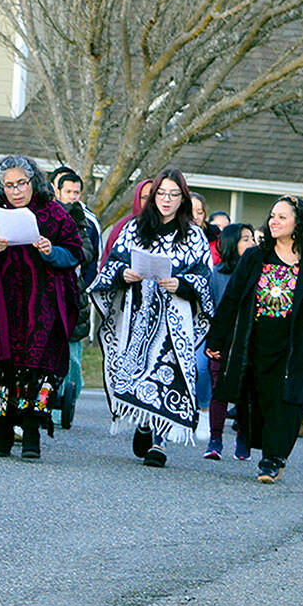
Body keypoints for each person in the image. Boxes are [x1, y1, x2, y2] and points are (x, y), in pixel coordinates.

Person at [206, 195, 303, 483]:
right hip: (255, 340)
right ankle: (268, 452)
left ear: (297, 222)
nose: (274, 221)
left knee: (287, 401)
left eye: (282, 217)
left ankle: (273, 458)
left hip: (294, 344)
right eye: (272, 216)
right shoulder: (256, 256)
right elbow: (231, 299)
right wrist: (215, 340)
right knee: (260, 398)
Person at [90, 168, 216, 467]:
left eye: (174, 194)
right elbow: (111, 266)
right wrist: (124, 274)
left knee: (168, 372)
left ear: (182, 198)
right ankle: (143, 422)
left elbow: (204, 278)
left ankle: (159, 442)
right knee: (136, 369)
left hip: (174, 318)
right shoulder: (134, 229)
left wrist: (181, 285)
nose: (167, 200)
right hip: (137, 313)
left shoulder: (194, 235)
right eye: (161, 193)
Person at [0, 156, 83, 459]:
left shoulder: (53, 213)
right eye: (9, 185)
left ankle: (31, 437)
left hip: (39, 304)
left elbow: (75, 252)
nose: (16, 191)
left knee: (35, 367)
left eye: (21, 184)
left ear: (34, 182)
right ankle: (2, 435)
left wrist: (51, 251)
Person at [51, 168, 100, 421]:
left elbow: (93, 260)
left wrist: (85, 288)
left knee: (72, 356)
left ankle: (66, 402)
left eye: (76, 192)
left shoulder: (87, 222)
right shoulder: (44, 215)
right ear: (56, 190)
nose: (72, 196)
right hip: (48, 293)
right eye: (67, 191)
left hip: (75, 295)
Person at [205, 222, 255, 460]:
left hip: (249, 341)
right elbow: (211, 310)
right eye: (245, 238)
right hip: (223, 341)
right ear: (231, 243)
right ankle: (215, 440)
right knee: (219, 389)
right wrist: (213, 342)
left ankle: (243, 439)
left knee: (246, 391)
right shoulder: (217, 274)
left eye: (252, 238)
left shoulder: (259, 272)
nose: (252, 242)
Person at [101, 179, 153, 265]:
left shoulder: (169, 226)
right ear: (138, 199)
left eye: (154, 197)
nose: (150, 202)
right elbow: (108, 262)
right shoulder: (123, 226)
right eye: (145, 198)